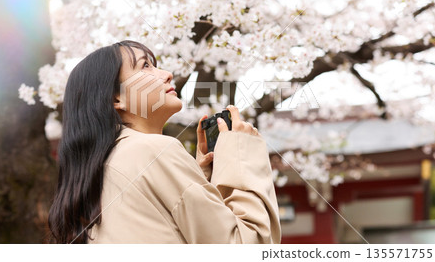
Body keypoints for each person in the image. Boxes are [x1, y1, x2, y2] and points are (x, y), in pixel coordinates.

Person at [47, 40, 281, 244]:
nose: (167, 73)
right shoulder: (154, 151)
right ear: (116, 97)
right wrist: (243, 156)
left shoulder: (98, 167)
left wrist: (200, 179)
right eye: (145, 66)